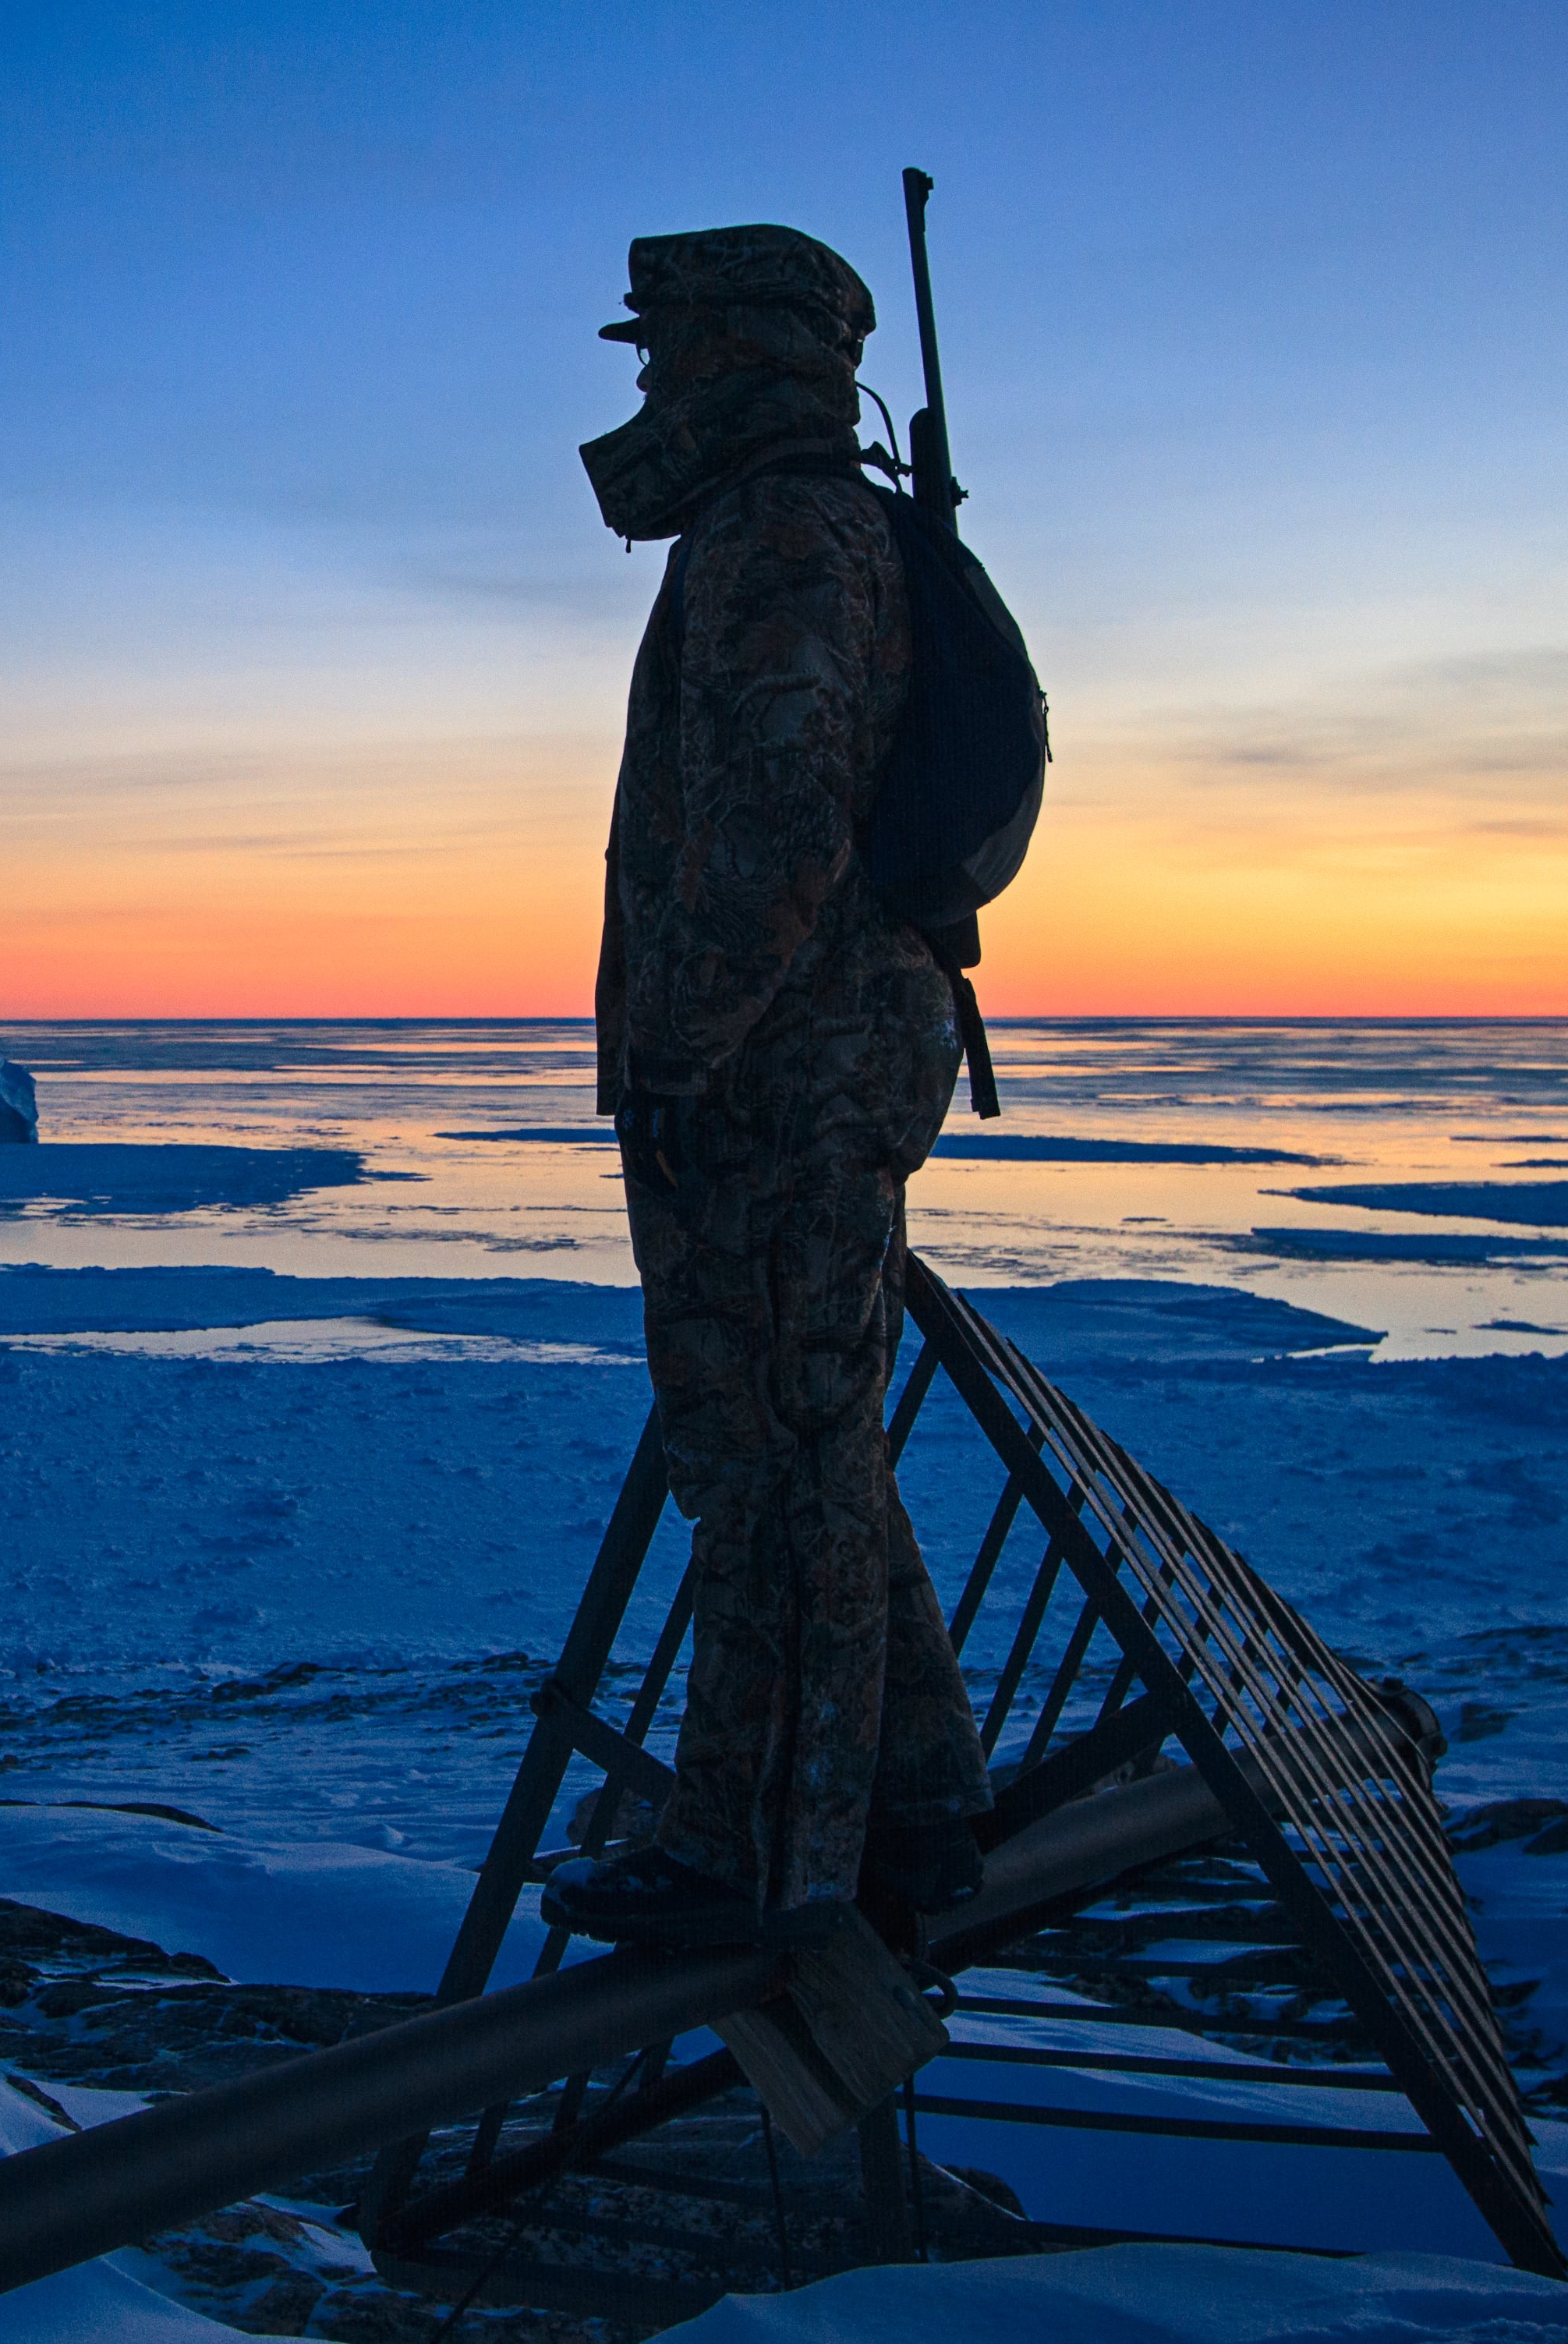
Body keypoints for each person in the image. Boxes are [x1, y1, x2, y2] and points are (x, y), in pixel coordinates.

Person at [541, 225, 992, 1949]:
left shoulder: (781, 534)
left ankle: (746, 1861)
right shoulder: (812, 526)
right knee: (810, 1450)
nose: (647, 388)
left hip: (776, 1073)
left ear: (737, 353)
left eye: (663, 354)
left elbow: (775, 820)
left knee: (764, 1463)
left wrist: (681, 1044)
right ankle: (913, 1802)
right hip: (801, 1056)